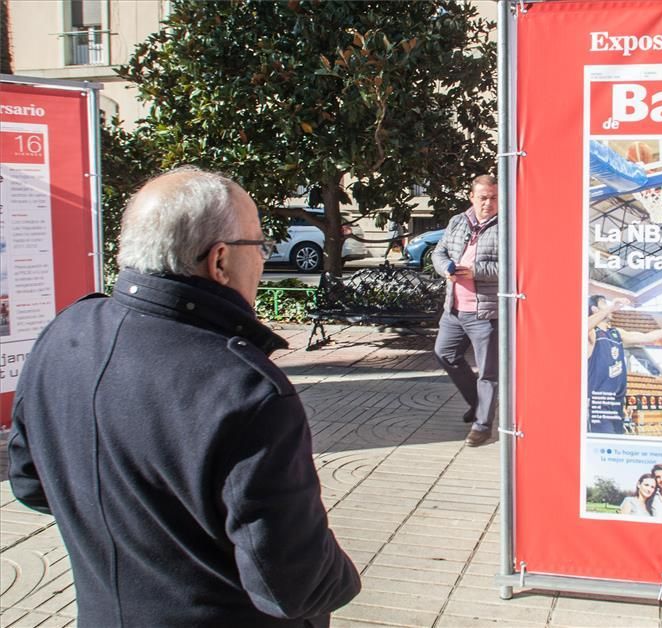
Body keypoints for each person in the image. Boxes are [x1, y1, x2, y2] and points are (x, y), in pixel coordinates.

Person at [8, 167, 361, 627]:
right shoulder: (247, 390)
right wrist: (344, 576)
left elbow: (31, 484)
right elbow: (294, 584)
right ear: (219, 261)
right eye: (260, 245)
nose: (263, 257)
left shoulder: (64, 331)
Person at [432, 175, 499, 447]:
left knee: (488, 372)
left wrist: (475, 272)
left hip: (486, 312)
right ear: (472, 197)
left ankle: (483, 425)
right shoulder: (458, 221)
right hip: (455, 308)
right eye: (483, 198)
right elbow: (439, 252)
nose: (488, 203)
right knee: (445, 354)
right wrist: (446, 268)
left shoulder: (508, 225)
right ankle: (477, 403)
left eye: (494, 198)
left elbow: (515, 268)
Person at [587, 295, 662, 434]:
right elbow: (581, 327)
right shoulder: (591, 332)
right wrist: (611, 307)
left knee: (616, 446)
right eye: (604, 303)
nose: (610, 306)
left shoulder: (616, 332)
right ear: (594, 309)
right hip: (598, 402)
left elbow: (646, 337)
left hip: (617, 402)